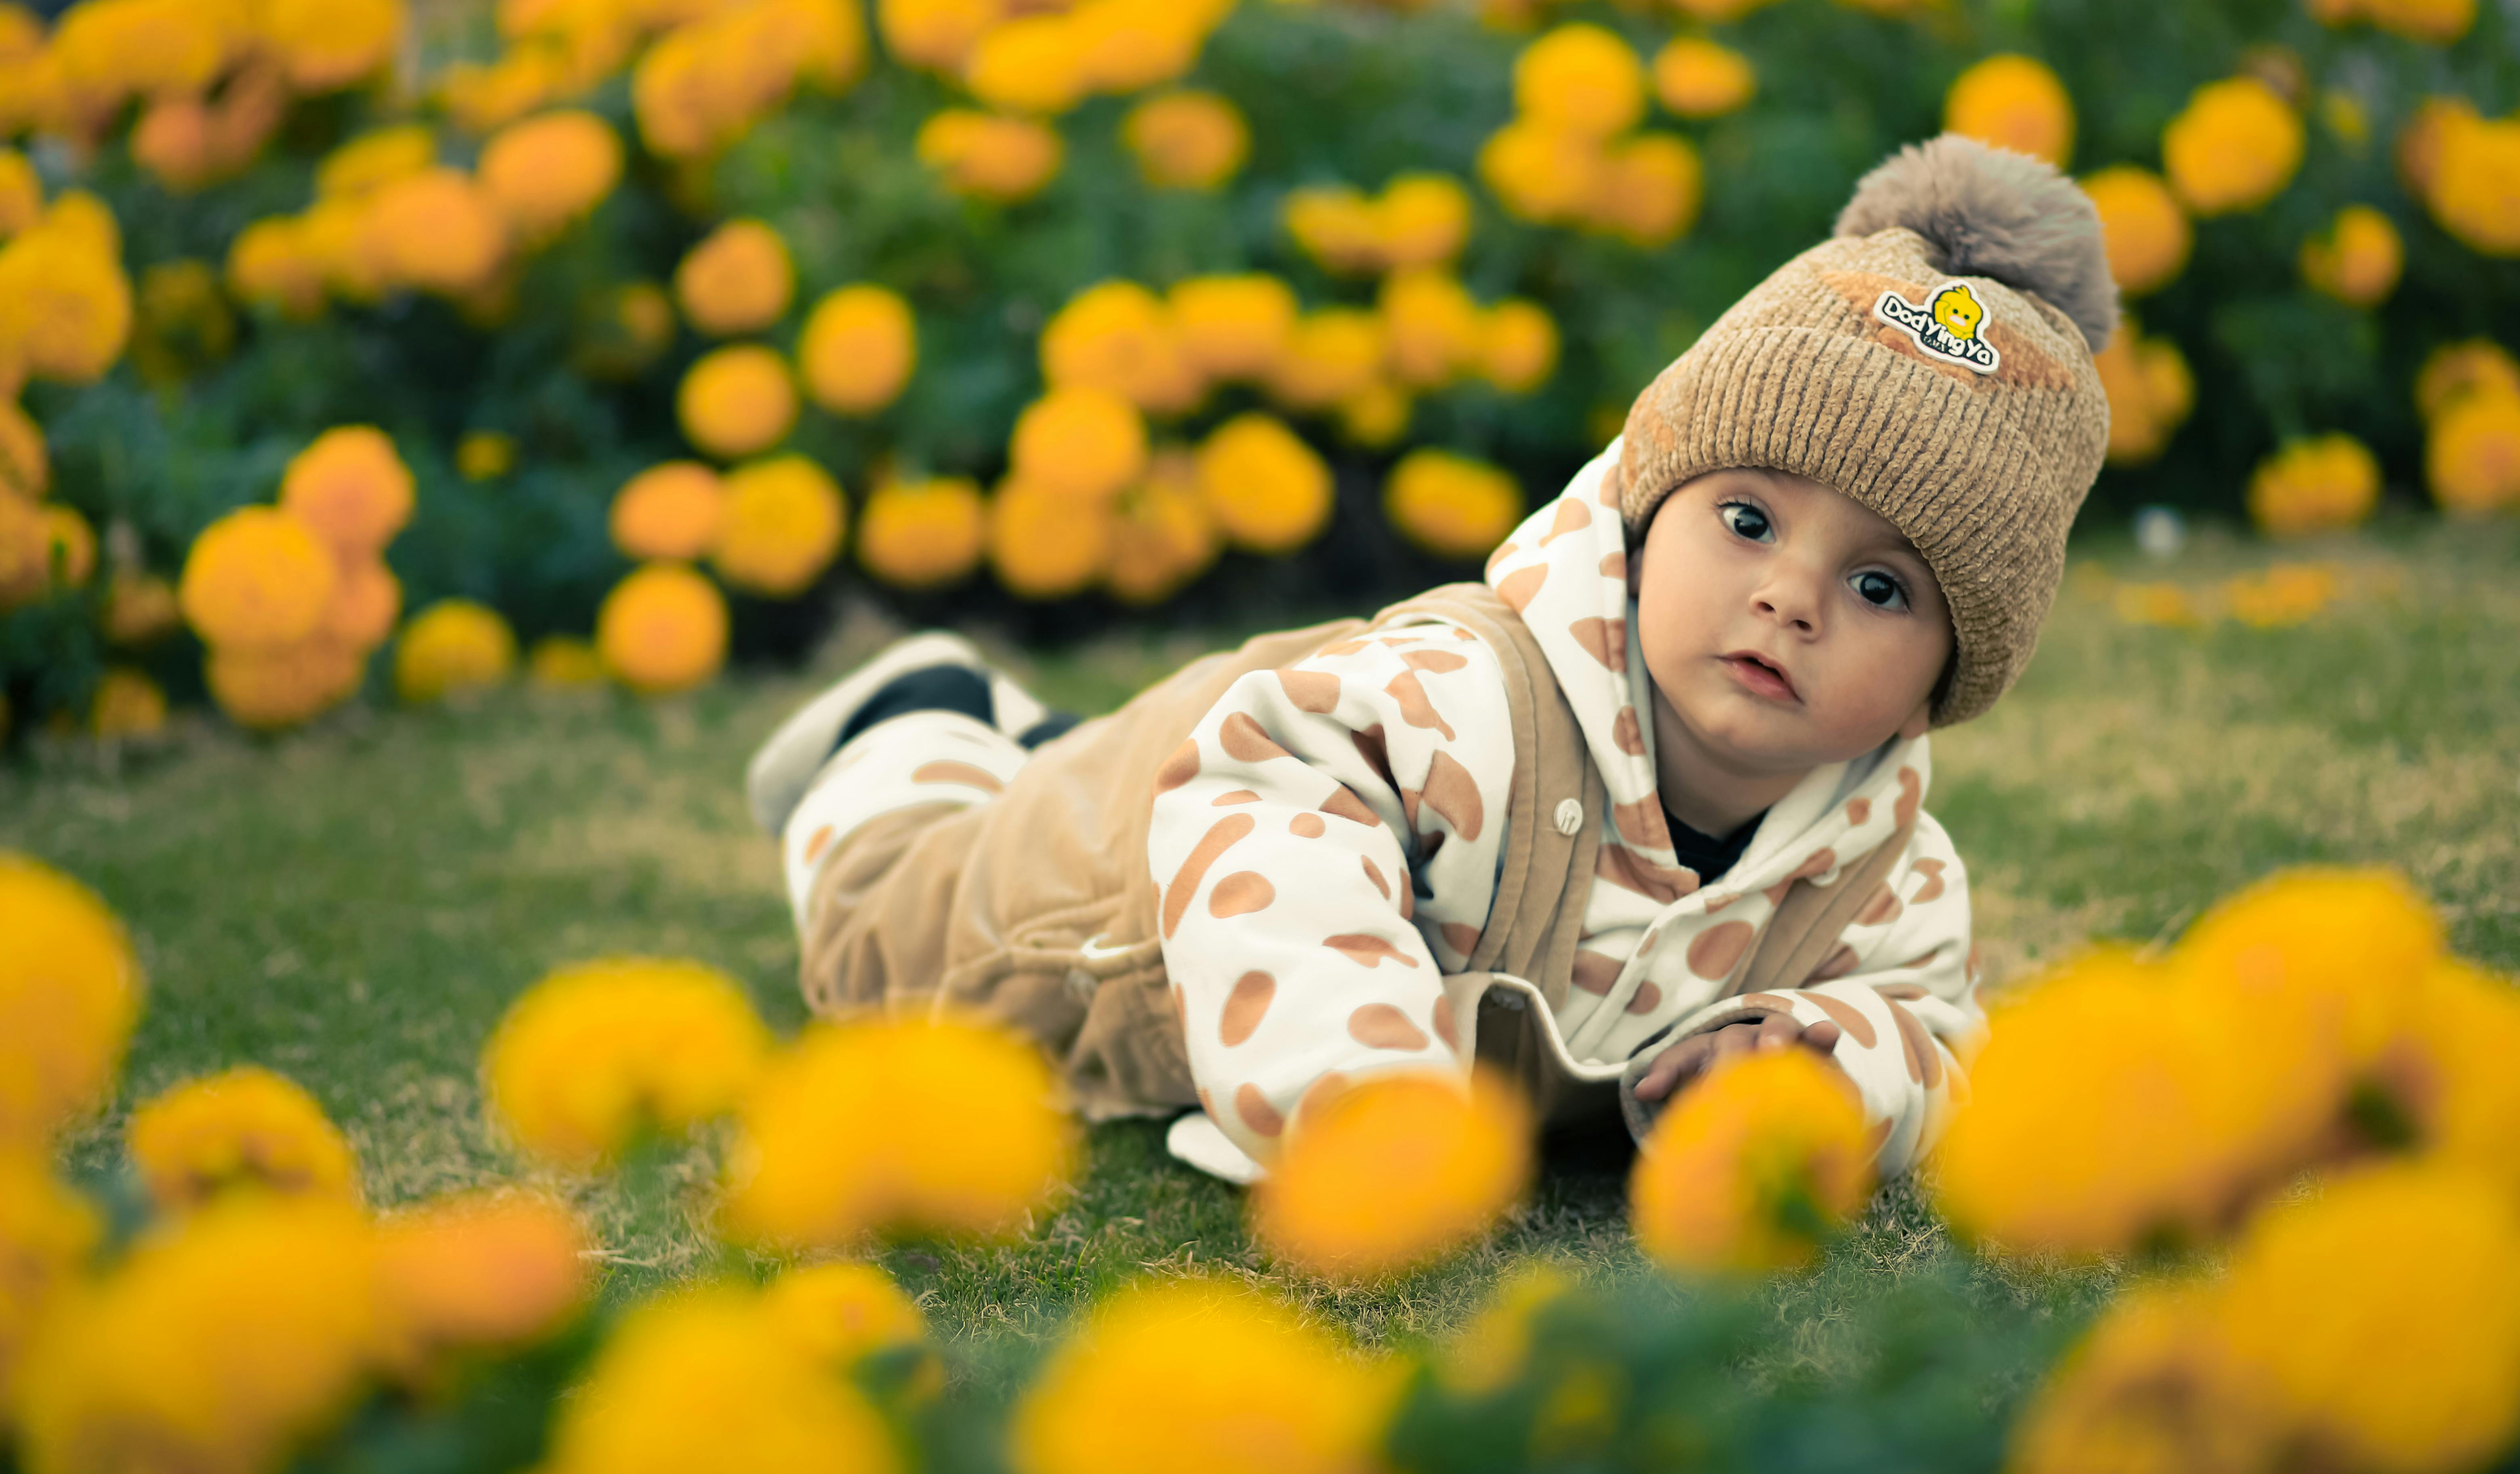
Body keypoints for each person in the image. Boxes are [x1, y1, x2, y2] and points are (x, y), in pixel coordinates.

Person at [744, 134, 2116, 1183]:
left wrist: (1833, 1071)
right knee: (885, 949)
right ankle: (910, 728)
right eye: (1748, 521)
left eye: (1881, 586)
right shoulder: (1471, 708)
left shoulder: (1881, 870)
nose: (1790, 599)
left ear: (1955, 666)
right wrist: (1359, 1090)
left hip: (1256, 742)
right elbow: (1273, 827)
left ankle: (1018, 738)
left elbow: (1937, 1028)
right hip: (1121, 893)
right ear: (1649, 508)